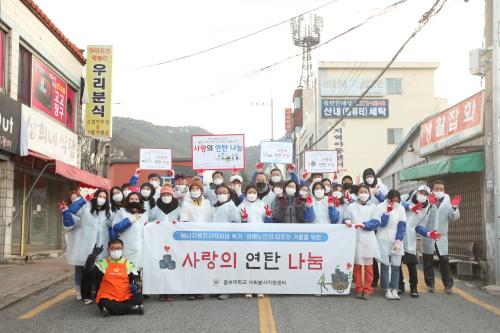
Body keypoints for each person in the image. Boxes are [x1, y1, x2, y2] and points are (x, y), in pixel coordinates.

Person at [67, 189, 112, 304]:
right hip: (88, 244)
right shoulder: (85, 208)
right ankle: (85, 296)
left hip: (101, 244)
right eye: (99, 196)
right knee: (86, 270)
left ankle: (99, 294)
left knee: (100, 271)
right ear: (95, 197)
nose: (102, 198)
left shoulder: (108, 212)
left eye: (104, 197)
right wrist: (83, 200)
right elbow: (71, 210)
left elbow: (111, 226)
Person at [399, 185, 441, 298]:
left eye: (425, 193)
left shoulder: (427, 209)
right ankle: (400, 285)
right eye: (421, 192)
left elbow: (420, 226)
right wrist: (409, 207)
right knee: (396, 263)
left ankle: (413, 287)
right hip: (398, 233)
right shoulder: (407, 197)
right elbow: (396, 205)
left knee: (411, 264)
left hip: (410, 237)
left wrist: (427, 233)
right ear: (417, 191)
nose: (423, 195)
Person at [82, 239, 143, 317]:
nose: (116, 250)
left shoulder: (129, 264)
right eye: (113, 248)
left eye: (118, 248)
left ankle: (111, 309)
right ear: (108, 250)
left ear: (122, 249)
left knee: (139, 297)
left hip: (125, 296)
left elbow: (136, 278)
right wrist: (92, 257)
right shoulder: (101, 264)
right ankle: (133, 309)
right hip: (108, 296)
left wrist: (136, 285)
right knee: (103, 302)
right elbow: (87, 271)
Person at [422, 180, 461, 295]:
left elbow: (453, 218)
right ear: (432, 190)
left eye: (441, 189)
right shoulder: (426, 200)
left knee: (444, 260)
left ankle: (448, 285)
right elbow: (421, 216)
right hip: (428, 235)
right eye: (436, 189)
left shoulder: (448, 201)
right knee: (427, 260)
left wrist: (454, 208)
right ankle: (430, 284)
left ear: (444, 190)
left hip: (441, 236)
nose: (439, 191)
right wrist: (429, 205)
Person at [343, 184, 381, 300]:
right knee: (358, 266)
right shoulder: (352, 206)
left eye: (365, 191)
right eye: (361, 191)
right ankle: (359, 288)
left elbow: (376, 222)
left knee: (369, 267)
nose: (363, 194)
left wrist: (364, 225)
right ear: (358, 194)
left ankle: (368, 290)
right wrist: (347, 221)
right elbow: (345, 217)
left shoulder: (373, 207)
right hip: (356, 238)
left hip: (369, 239)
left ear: (369, 194)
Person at [377, 190, 406, 300]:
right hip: (383, 237)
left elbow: (402, 225)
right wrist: (387, 212)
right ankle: (387, 289)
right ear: (388, 199)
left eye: (396, 201)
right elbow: (382, 224)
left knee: (396, 266)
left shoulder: (401, 208)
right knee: (384, 266)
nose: (394, 203)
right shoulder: (380, 206)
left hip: (396, 239)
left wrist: (398, 240)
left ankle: (395, 289)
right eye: (392, 200)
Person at [111, 192, 149, 270]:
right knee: (125, 269)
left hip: (139, 247)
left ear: (140, 201)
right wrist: (128, 220)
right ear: (128, 201)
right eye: (131, 199)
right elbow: (115, 228)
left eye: (136, 199)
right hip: (126, 246)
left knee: (137, 270)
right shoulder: (122, 211)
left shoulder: (144, 214)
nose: (134, 201)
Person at [60, 191, 85, 300]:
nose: (76, 202)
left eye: (77, 199)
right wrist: (66, 214)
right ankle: (79, 290)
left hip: (89, 241)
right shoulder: (70, 212)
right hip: (78, 243)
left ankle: (91, 289)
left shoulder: (87, 208)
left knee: (91, 267)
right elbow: (68, 227)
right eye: (73, 201)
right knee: (79, 268)